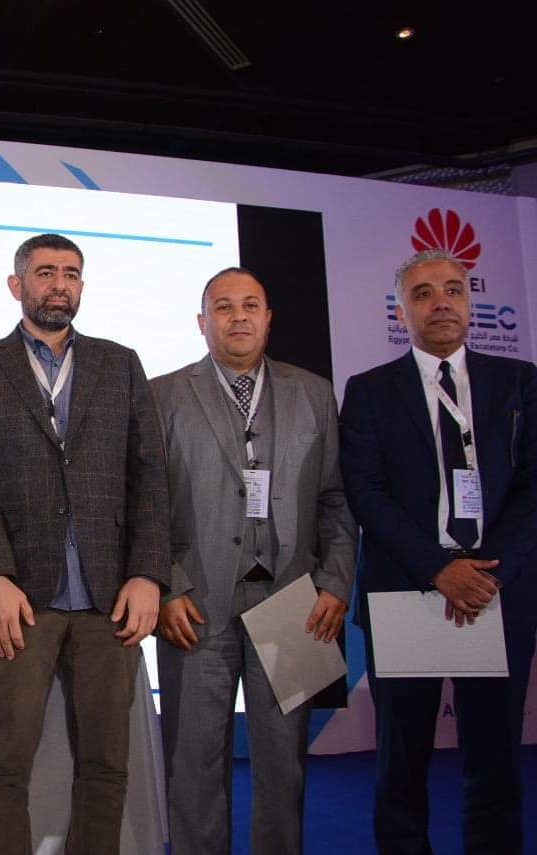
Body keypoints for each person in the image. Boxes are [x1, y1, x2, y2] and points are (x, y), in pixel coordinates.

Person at [0, 233, 170, 855]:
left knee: (106, 766)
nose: (59, 284)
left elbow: (150, 476)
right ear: (17, 285)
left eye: (70, 273)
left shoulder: (121, 364)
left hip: (110, 597)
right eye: (45, 273)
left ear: (82, 286)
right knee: (2, 765)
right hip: (17, 597)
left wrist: (147, 574)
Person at [340, 248, 537, 854]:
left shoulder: (518, 381)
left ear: (468, 302)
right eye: (423, 293)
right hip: (407, 592)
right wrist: (440, 569)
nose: (441, 303)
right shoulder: (369, 391)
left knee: (496, 763)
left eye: (453, 290)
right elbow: (365, 492)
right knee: (400, 766)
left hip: (498, 591)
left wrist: (484, 573)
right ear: (401, 310)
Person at [150, 267, 355, 854]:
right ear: (202, 322)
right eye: (223, 307)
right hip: (193, 606)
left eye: (250, 305)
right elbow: (144, 506)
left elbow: (336, 498)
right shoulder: (162, 394)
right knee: (192, 767)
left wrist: (334, 583)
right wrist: (166, 588)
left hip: (296, 603)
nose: (237, 316)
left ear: (268, 319)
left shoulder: (314, 392)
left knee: (286, 765)